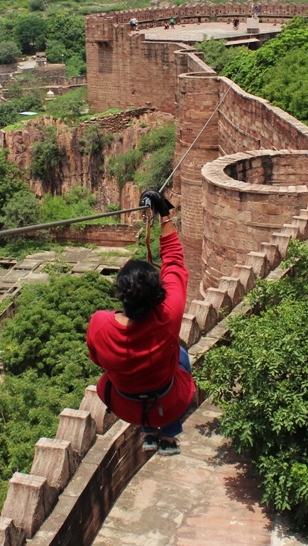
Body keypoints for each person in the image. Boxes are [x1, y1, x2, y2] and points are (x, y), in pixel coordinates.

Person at [86, 190, 195, 456]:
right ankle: (168, 433)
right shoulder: (167, 315)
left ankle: (147, 432)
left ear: (122, 295)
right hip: (168, 403)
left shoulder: (100, 323)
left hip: (125, 404)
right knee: (180, 355)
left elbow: (97, 359)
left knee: (120, 372)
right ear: (157, 293)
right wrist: (165, 215)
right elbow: (174, 263)